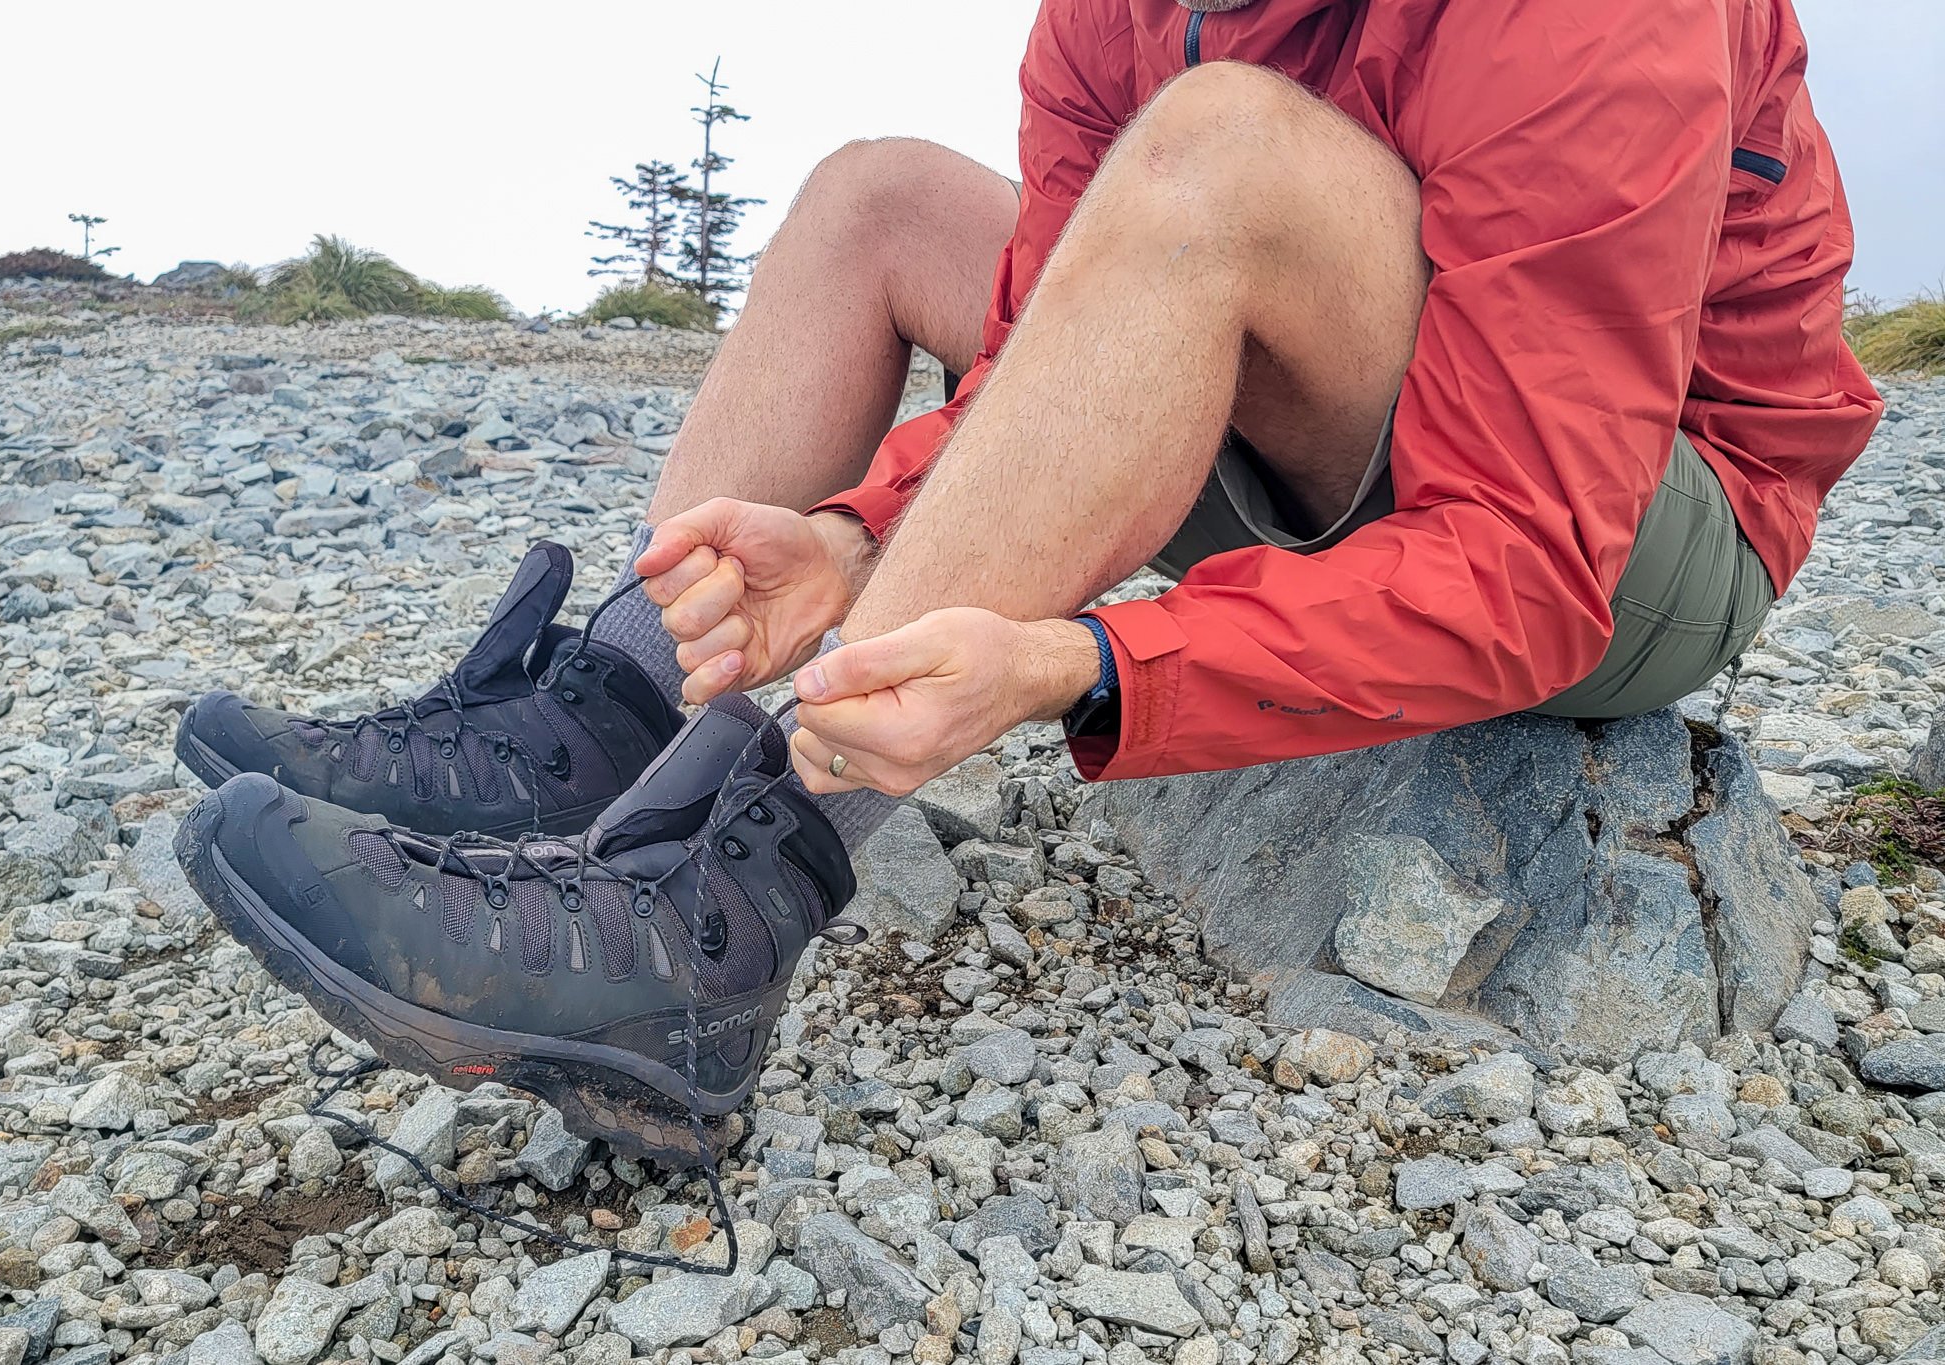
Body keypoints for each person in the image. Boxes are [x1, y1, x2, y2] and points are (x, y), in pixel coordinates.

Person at [171, 0, 1880, 1164]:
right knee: (880, 200)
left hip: (1638, 512)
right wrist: (847, 536)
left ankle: (710, 916)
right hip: (1315, 423)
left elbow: (1538, 553)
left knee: (1219, 152)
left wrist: (1093, 658)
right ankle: (612, 721)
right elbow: (1063, 364)